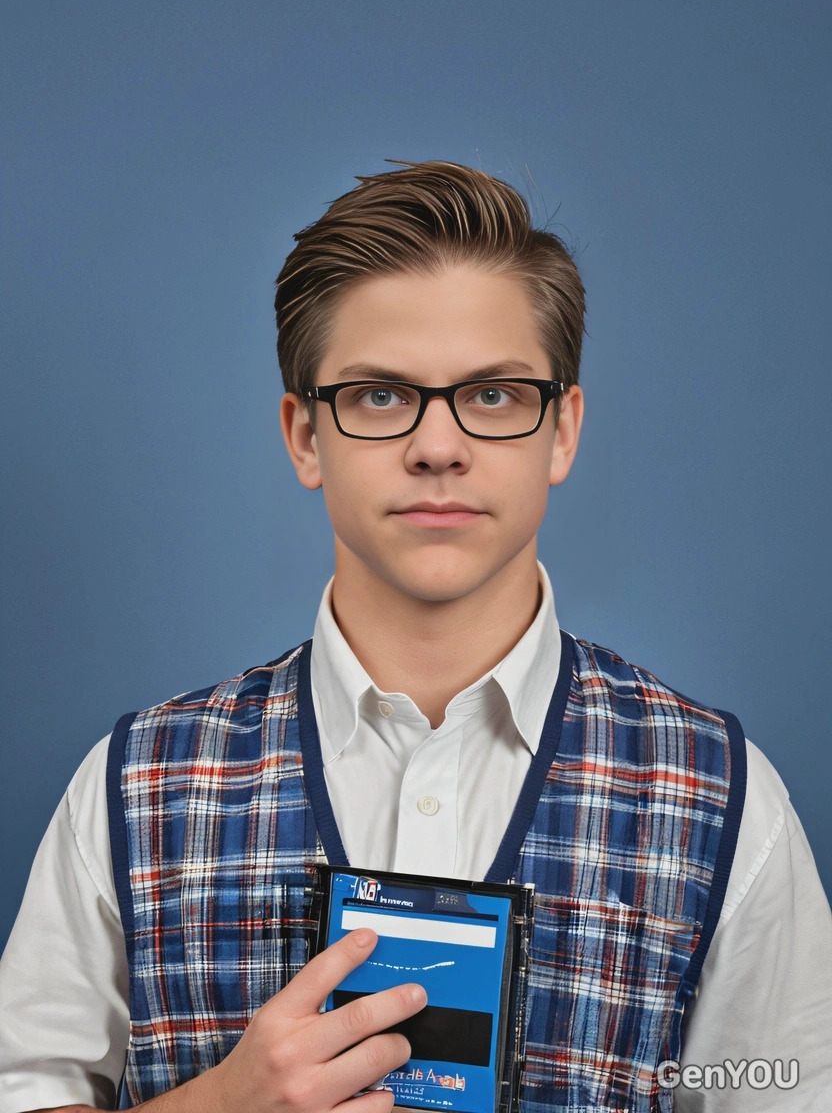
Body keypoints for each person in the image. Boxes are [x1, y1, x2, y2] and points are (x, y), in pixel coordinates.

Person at [1, 160, 830, 1113]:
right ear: (306, 436)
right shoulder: (135, 785)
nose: (439, 446)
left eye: (493, 395)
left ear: (562, 431)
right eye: (381, 396)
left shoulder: (719, 796)